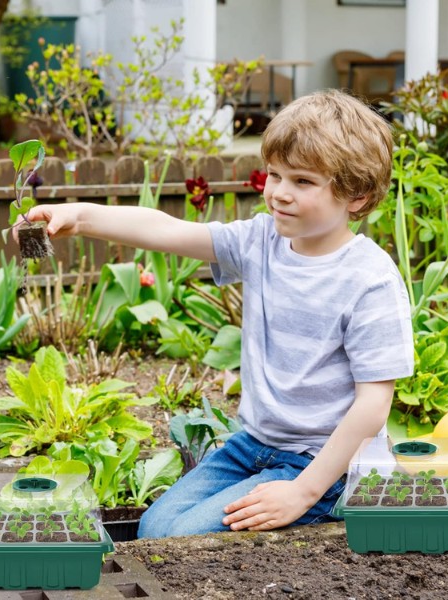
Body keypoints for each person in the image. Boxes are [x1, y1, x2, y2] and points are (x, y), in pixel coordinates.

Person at [22, 89, 414, 538]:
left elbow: (373, 405)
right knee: (154, 527)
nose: (280, 193)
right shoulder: (261, 241)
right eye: (275, 175)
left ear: (357, 195)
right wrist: (78, 217)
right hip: (254, 446)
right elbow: (167, 229)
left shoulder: (370, 279)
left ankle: (334, 509)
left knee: (180, 539)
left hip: (326, 464)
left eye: (303, 182)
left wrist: (302, 492)